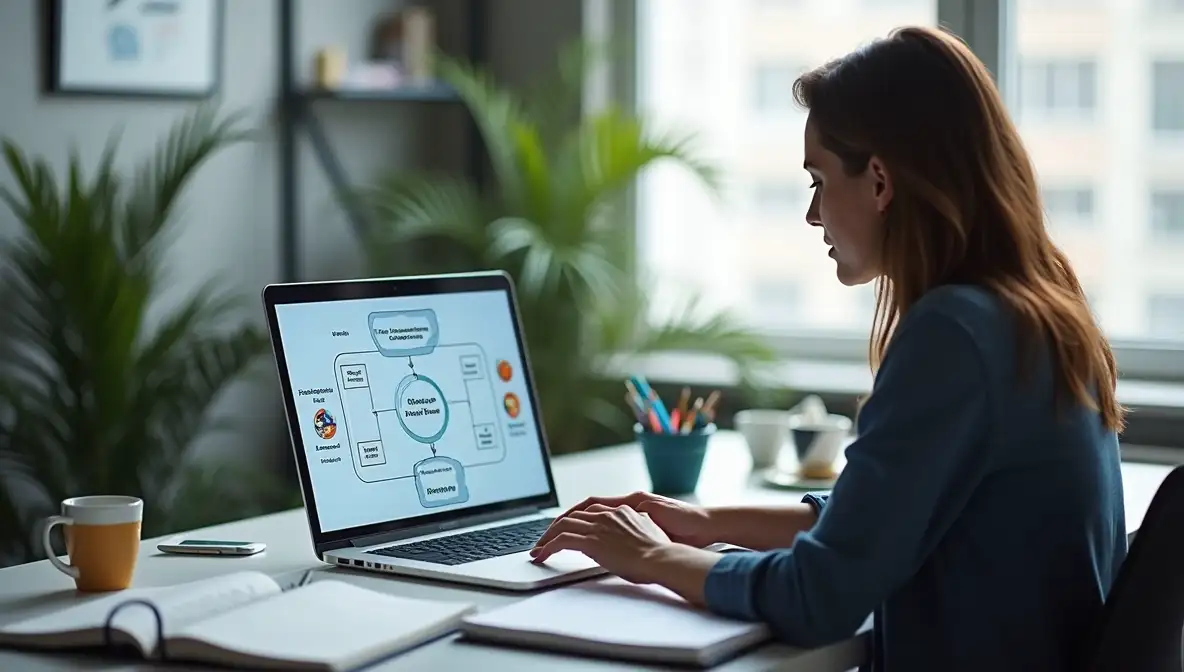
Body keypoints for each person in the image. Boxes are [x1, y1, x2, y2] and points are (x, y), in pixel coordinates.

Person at [529, 25, 1128, 672]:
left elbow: (819, 596)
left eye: (818, 179)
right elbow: (872, 525)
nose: (814, 214)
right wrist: (703, 522)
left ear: (878, 181)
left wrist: (648, 559)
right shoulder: (1036, 314)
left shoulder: (954, 335)